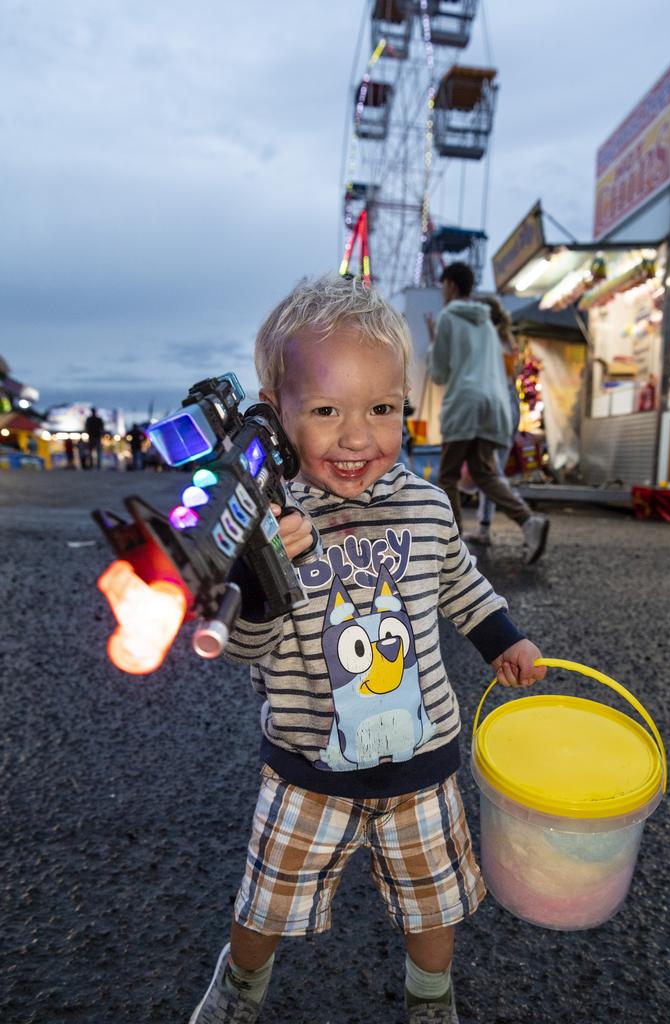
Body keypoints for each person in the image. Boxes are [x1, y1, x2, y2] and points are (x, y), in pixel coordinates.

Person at [188, 273, 547, 1024]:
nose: (358, 437)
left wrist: (502, 639)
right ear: (276, 416)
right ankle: (240, 986)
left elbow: (459, 584)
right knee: (266, 903)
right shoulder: (270, 524)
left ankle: (431, 997)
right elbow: (244, 647)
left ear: (407, 410)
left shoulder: (427, 505)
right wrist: (262, 577)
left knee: (433, 902)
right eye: (325, 411)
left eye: (381, 409)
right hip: (306, 769)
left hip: (422, 765)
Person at [426, 262, 549, 564]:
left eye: (444, 286)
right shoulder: (487, 325)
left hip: (465, 404)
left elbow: (440, 374)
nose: (443, 292)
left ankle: (452, 548)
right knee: (484, 472)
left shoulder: (448, 318)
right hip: (493, 406)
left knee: (449, 477)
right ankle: (528, 521)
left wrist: (433, 347)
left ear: (451, 286)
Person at [470, 295, 524, 547]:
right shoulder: (506, 339)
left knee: (490, 472)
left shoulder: (488, 339)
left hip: (496, 406)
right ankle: (486, 525)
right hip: (511, 403)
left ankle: (527, 520)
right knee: (493, 469)